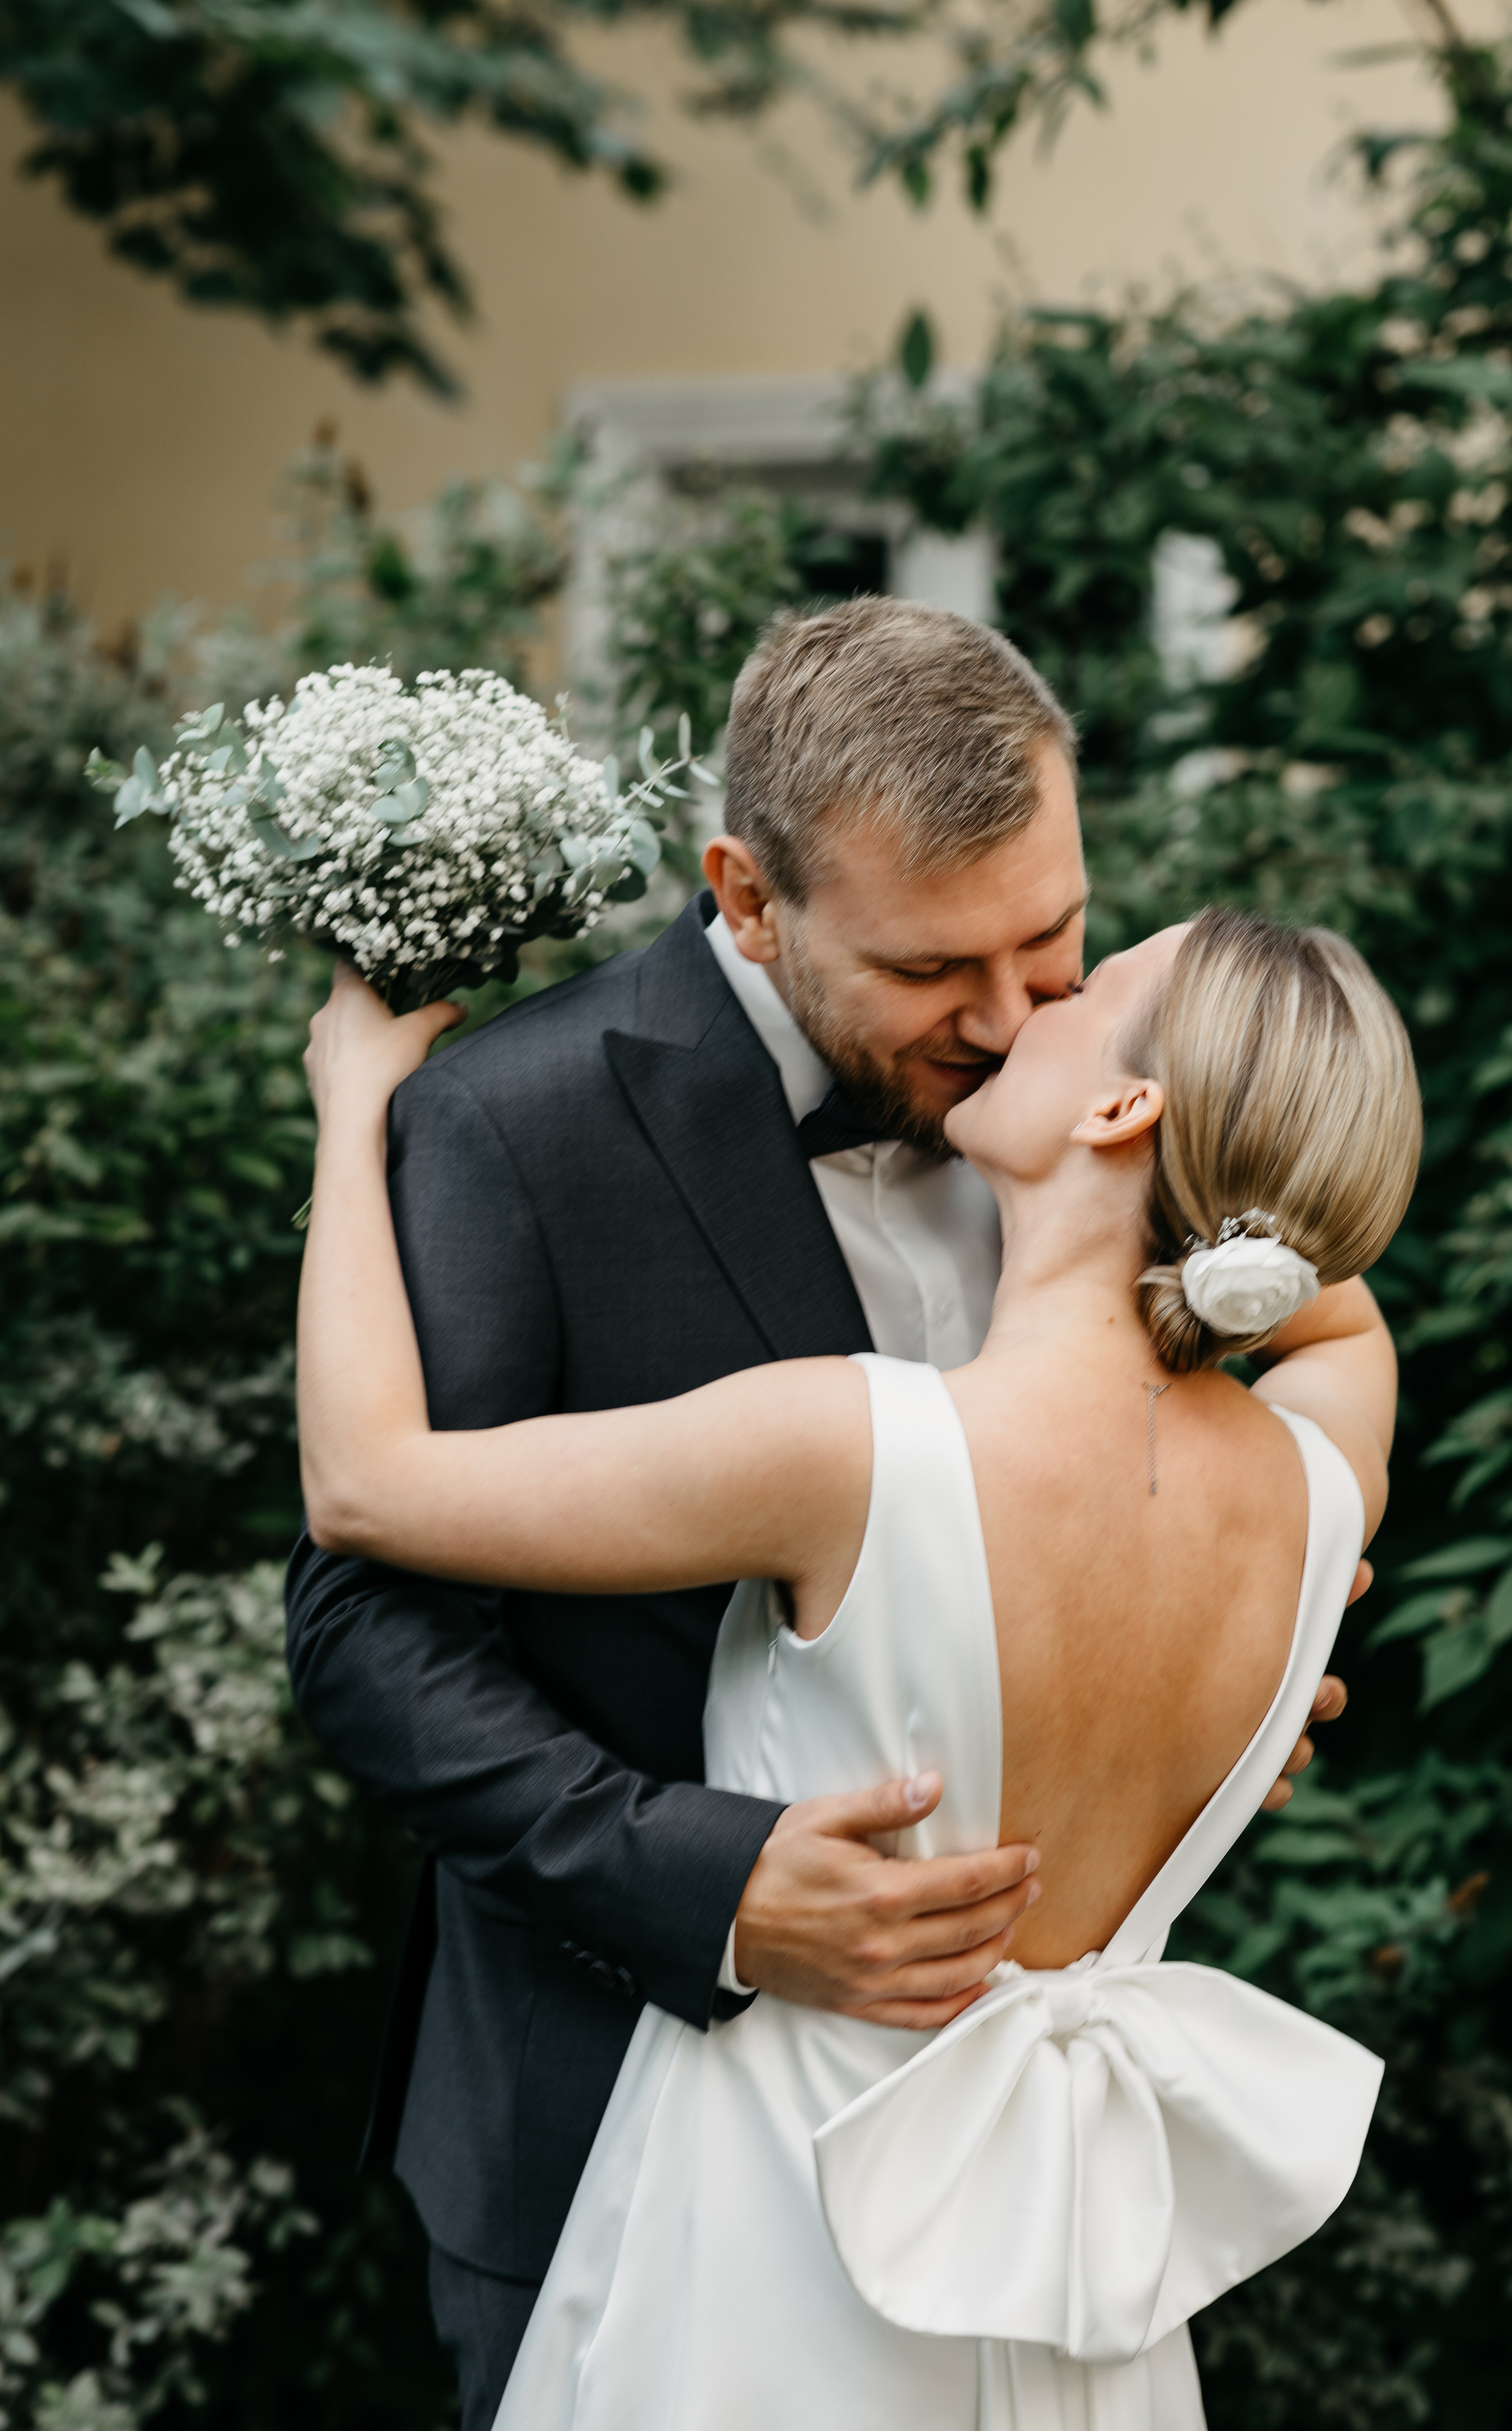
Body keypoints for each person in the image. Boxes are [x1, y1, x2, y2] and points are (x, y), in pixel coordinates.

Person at [282, 601, 1353, 2427]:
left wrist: (1234, 1683)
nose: (1014, 1013)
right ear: (752, 899)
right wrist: (711, 1885)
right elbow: (368, 1622)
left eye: (1056, 937)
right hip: (608, 2102)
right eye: (938, 968)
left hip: (1030, 2164)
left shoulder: (1121, 1095)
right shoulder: (513, 1126)